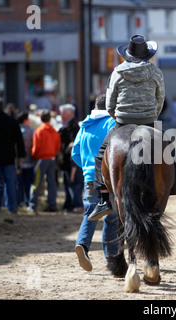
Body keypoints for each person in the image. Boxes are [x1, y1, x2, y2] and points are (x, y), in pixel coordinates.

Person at [88, 34, 176, 221]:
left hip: (122, 121)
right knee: (170, 152)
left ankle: (103, 200)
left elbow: (110, 103)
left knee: (101, 154)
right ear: (147, 54)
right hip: (148, 120)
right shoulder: (156, 72)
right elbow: (160, 99)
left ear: (128, 54)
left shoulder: (117, 72)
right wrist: (151, 116)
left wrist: (118, 118)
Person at [71, 94, 123, 274]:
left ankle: (82, 245)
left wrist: (87, 168)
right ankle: (111, 256)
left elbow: (75, 153)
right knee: (112, 216)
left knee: (91, 211)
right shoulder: (111, 123)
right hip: (107, 177)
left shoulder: (84, 126)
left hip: (89, 177)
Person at [29, 110, 61, 214]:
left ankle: (32, 205)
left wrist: (34, 156)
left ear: (41, 119)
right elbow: (57, 146)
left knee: (37, 181)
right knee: (51, 182)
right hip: (52, 158)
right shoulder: (54, 131)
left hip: (42, 159)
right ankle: (52, 204)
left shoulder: (39, 131)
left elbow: (36, 147)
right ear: (50, 119)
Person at [57, 104, 83, 212]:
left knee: (74, 184)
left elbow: (74, 145)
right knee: (67, 184)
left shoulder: (74, 126)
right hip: (65, 161)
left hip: (71, 161)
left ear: (70, 114)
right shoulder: (64, 125)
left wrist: (69, 151)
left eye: (63, 113)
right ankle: (68, 204)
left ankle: (76, 205)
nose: (61, 115)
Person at [16, 112, 35, 208]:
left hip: (18, 163)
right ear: (25, 120)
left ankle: (19, 202)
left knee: (18, 184)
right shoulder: (31, 131)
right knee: (28, 184)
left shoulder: (15, 130)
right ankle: (28, 202)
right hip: (30, 162)